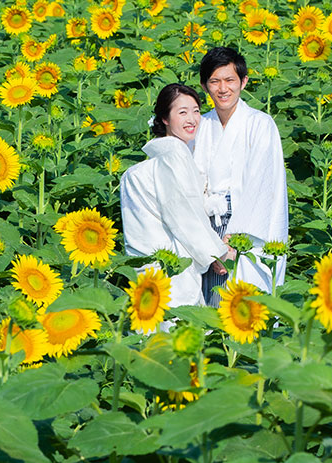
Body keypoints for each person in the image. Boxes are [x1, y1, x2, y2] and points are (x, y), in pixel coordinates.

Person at [120, 83, 236, 309]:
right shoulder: (173, 158)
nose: (192, 119)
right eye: (182, 112)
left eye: (196, 111)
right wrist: (218, 254)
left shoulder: (148, 166)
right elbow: (184, 214)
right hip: (172, 271)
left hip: (147, 270)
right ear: (164, 118)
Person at [194, 46, 288, 306]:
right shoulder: (201, 125)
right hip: (206, 226)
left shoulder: (260, 124)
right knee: (209, 307)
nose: (222, 89)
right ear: (204, 86)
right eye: (214, 81)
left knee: (242, 306)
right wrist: (205, 242)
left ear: (243, 82)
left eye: (230, 80)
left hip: (245, 225)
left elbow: (262, 186)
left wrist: (232, 242)